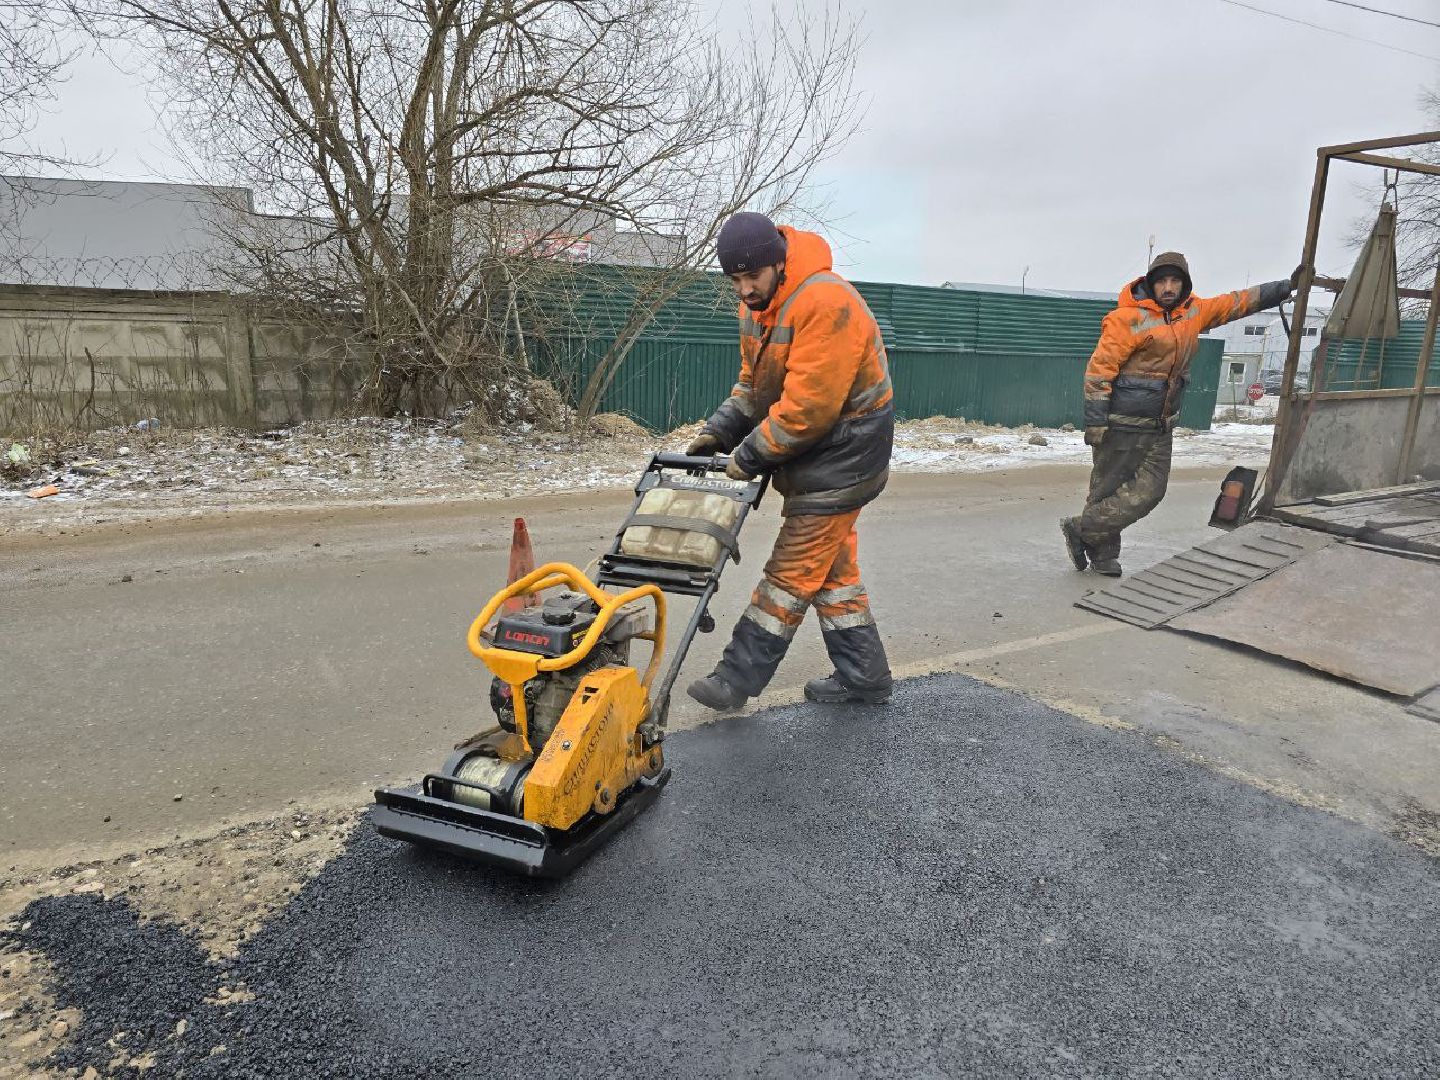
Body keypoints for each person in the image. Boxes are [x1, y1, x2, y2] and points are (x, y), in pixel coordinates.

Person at [684, 211, 894, 711]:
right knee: (833, 573)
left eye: (752, 276)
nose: (744, 289)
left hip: (845, 456)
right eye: (734, 279)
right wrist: (720, 431)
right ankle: (865, 677)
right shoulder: (757, 308)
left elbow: (808, 409)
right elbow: (754, 386)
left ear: (777, 263)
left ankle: (735, 680)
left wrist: (750, 455)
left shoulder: (825, 301)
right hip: (817, 455)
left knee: (792, 571)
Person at [1061, 252, 1297, 577]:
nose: (1168, 287)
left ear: (1184, 285)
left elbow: (1235, 302)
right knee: (1107, 491)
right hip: (1122, 423)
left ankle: (1081, 528)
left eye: (1175, 281)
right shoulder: (1126, 318)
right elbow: (1100, 370)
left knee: (1151, 491)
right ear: (1150, 283)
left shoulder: (1193, 313)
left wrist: (1284, 287)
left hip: (1161, 423)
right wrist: (1097, 420)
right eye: (1162, 281)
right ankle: (1103, 555)